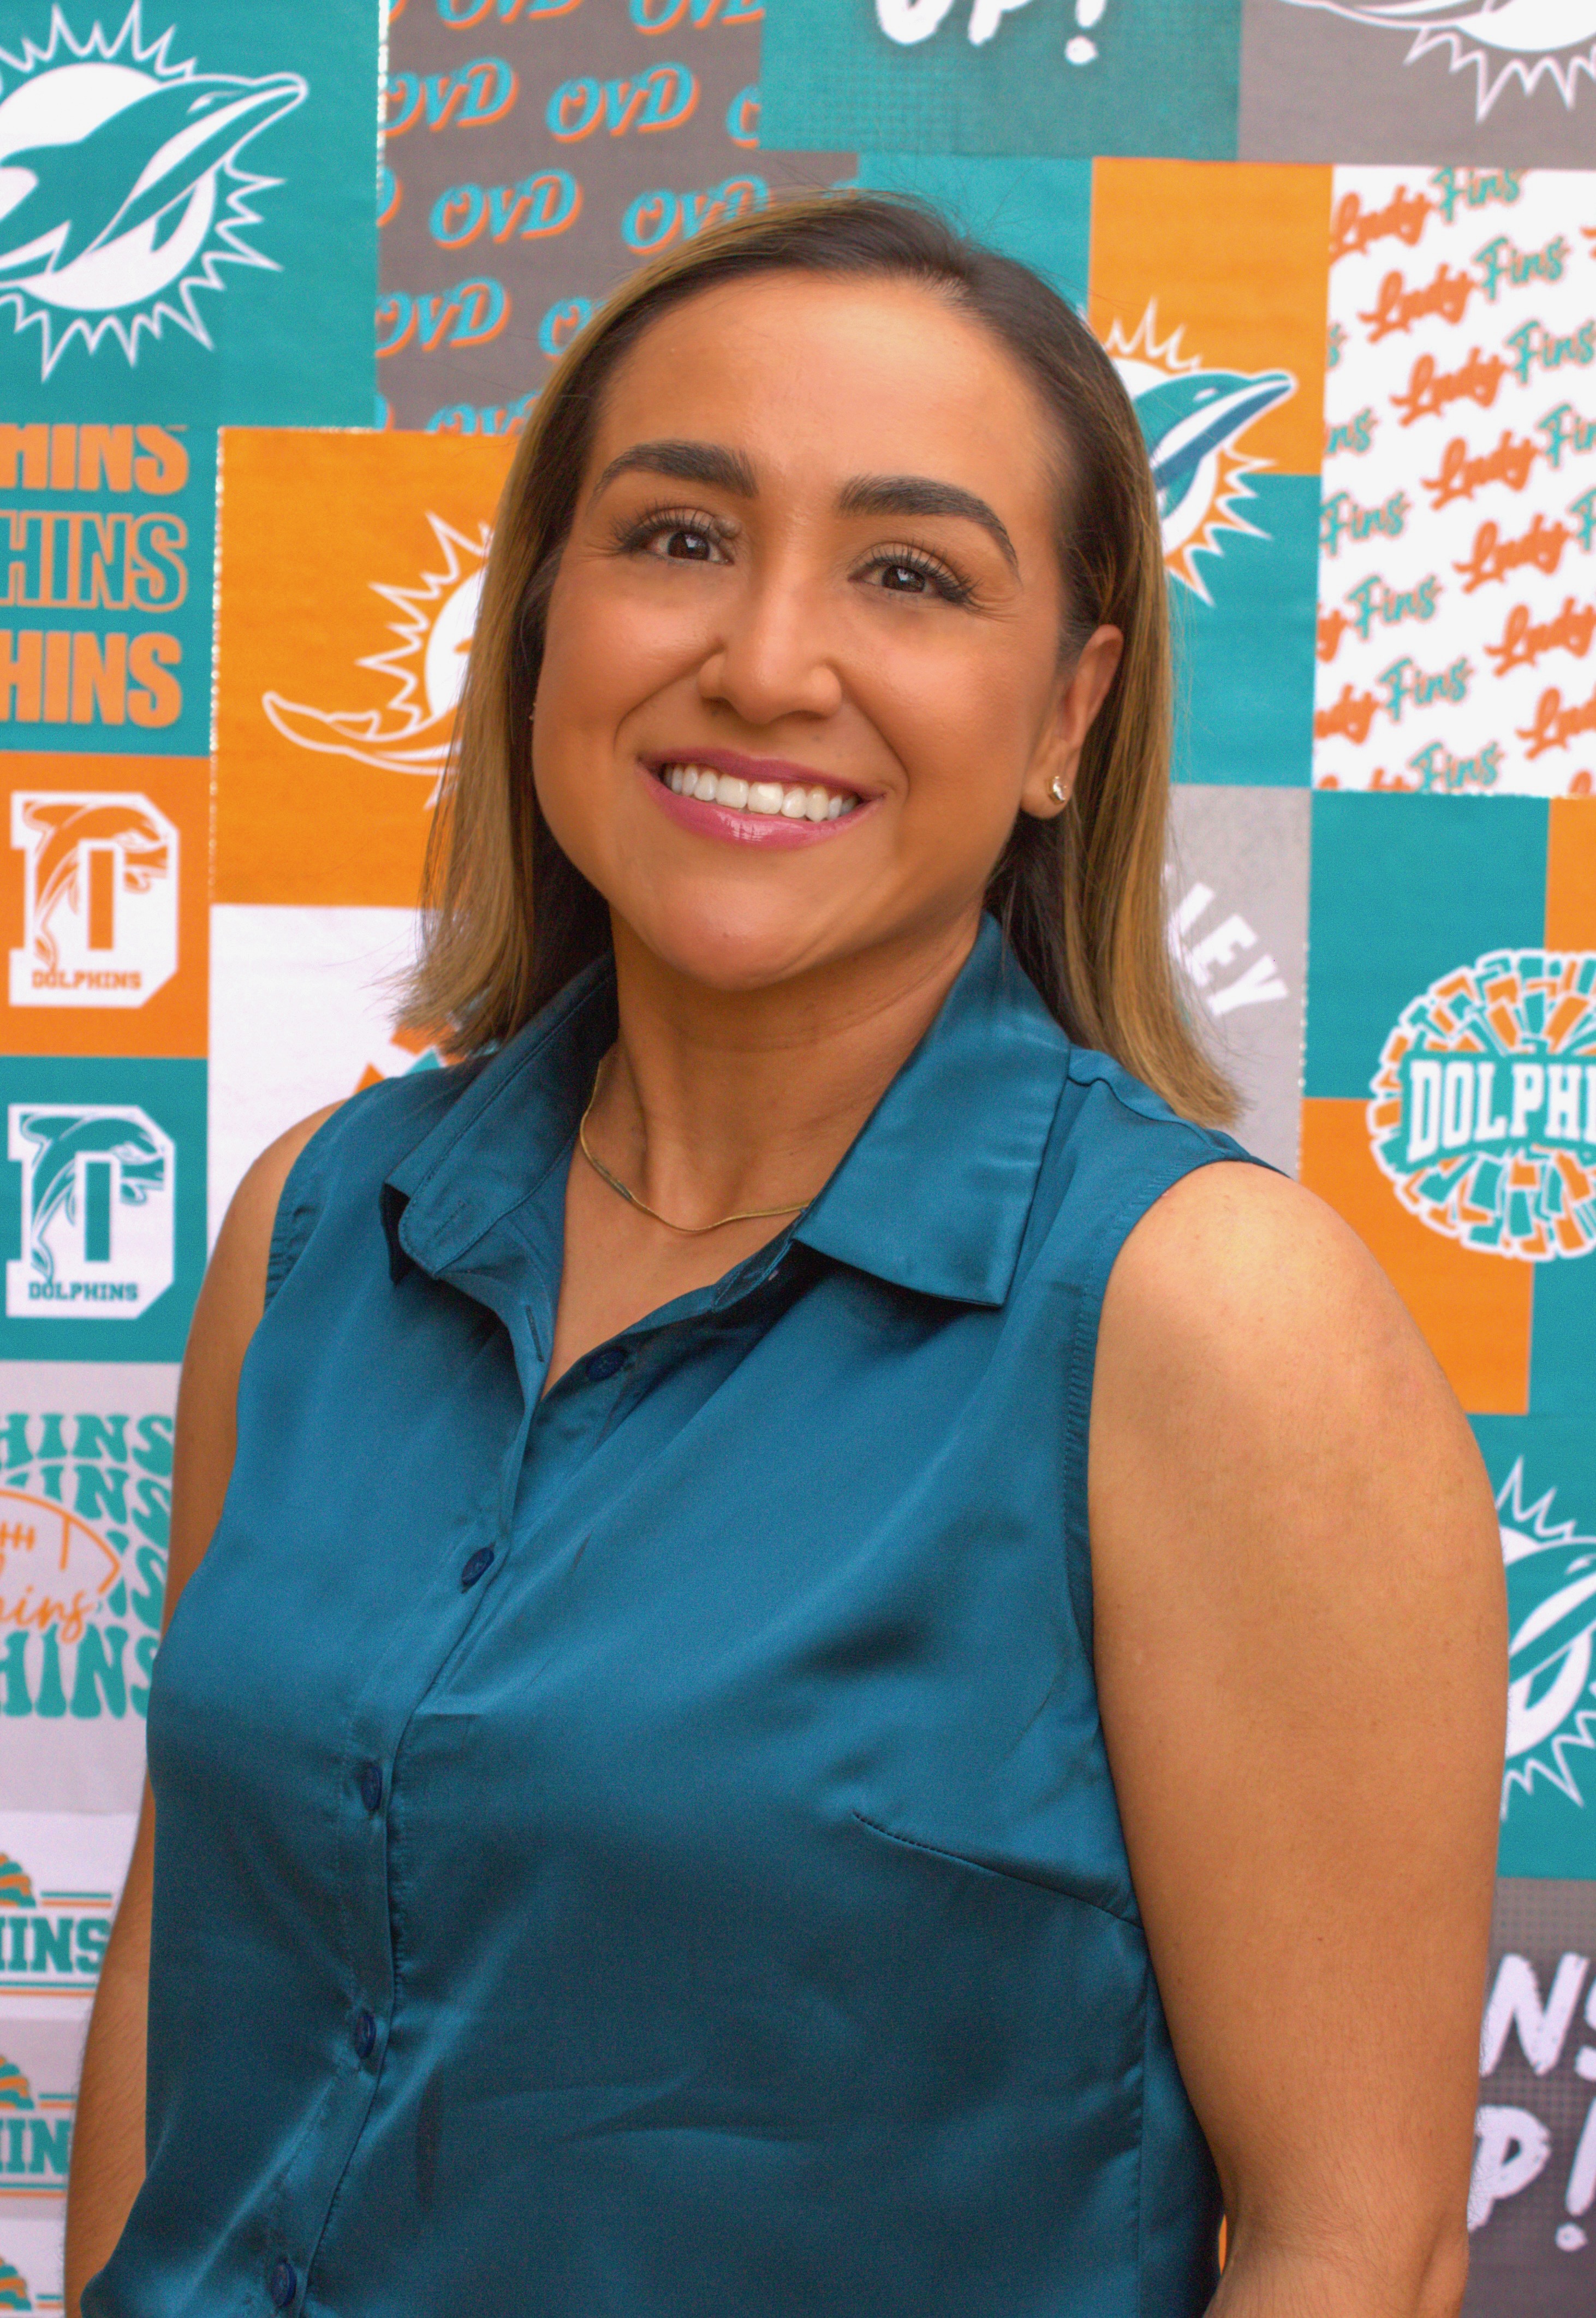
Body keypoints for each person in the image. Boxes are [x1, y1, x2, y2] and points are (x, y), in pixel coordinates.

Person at [65, 194, 1506, 2318]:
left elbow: (1350, 2251)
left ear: (1067, 714)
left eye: (908, 575)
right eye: (677, 536)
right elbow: (185, 1982)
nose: (760, 661)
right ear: (539, 620)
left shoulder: (1208, 1320)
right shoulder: (315, 1226)